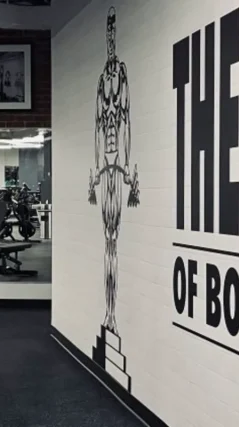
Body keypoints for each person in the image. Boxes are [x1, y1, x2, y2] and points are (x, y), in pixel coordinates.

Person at [88, 7, 139, 334]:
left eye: (111, 30)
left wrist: (130, 178)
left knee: (113, 239)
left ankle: (112, 313)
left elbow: (127, 122)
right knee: (106, 239)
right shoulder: (99, 81)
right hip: (105, 170)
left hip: (117, 168)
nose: (109, 37)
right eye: (106, 30)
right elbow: (97, 127)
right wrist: (94, 175)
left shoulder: (120, 73)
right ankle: (108, 313)